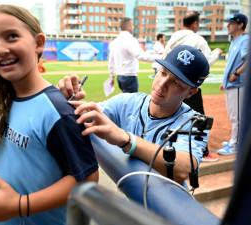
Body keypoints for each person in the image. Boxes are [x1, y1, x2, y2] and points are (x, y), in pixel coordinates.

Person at [0, 4, 98, 224]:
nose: (0, 49)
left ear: (38, 43)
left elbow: (87, 179)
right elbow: (14, 156)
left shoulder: (57, 110)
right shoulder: (2, 101)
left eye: (11, 36)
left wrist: (19, 206)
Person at [58, 45, 210, 185]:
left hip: (165, 207)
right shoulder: (127, 101)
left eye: (176, 83)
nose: (162, 84)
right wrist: (66, 101)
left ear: (191, 92)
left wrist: (127, 140)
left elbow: (183, 169)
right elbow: (89, 115)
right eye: (162, 72)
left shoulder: (196, 122)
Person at [164, 11, 223, 162]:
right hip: (186, 85)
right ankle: (203, 153)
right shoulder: (198, 39)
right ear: (195, 23)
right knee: (198, 117)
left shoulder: (174, 37)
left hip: (169, 83)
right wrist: (216, 52)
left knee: (172, 114)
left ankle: (170, 147)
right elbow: (207, 63)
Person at [217, 13, 249, 155]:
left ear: (240, 24)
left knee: (238, 116)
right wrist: (225, 82)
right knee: (233, 115)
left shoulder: (245, 40)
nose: (228, 25)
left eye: (231, 23)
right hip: (231, 85)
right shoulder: (235, 41)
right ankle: (235, 140)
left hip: (238, 84)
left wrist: (236, 74)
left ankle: (236, 144)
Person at [108, 17, 162, 93]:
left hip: (120, 76)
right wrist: (161, 58)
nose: (133, 27)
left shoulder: (115, 42)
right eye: (132, 25)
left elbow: (111, 61)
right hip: (129, 76)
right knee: (131, 103)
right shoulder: (130, 40)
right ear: (128, 26)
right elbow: (140, 56)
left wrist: (112, 76)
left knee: (126, 100)